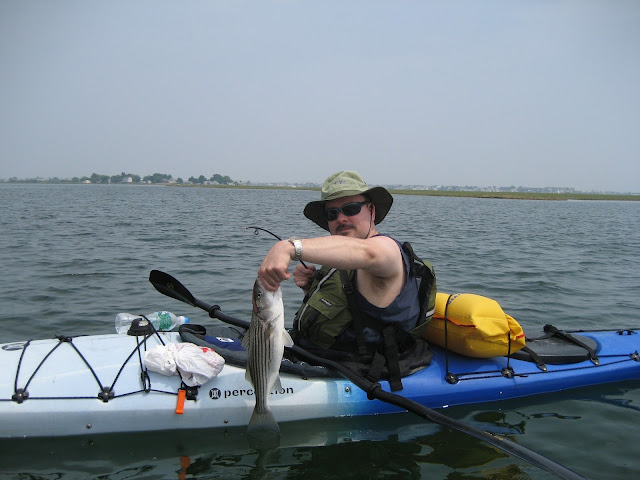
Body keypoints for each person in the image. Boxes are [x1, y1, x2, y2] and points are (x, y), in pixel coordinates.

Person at [258, 171, 436, 388]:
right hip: (312, 352)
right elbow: (350, 312)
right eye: (331, 214)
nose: (340, 218)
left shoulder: (386, 249)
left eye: (350, 209)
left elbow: (369, 253)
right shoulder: (340, 258)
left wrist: (288, 247)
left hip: (355, 369)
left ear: (371, 209)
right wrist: (311, 287)